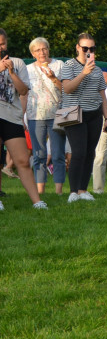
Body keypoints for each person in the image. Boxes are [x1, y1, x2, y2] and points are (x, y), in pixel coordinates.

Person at [59, 33, 107, 202]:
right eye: (85, 48)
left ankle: (83, 190)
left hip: (94, 113)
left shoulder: (97, 70)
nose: (89, 51)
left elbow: (102, 95)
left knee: (90, 153)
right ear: (78, 47)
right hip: (71, 111)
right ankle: (73, 192)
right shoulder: (68, 65)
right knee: (78, 152)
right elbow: (67, 89)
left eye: (92, 48)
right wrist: (83, 73)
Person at [0, 28, 48, 210]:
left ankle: (37, 201)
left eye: (3, 43)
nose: (0, 47)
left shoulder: (18, 63)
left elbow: (23, 91)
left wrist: (12, 73)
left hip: (12, 116)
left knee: (22, 160)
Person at [25, 37, 66, 196]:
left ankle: (59, 192)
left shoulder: (59, 65)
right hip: (35, 115)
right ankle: (40, 191)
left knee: (58, 154)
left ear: (48, 49)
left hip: (57, 114)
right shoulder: (27, 69)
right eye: (37, 50)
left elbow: (66, 88)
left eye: (44, 49)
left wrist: (53, 78)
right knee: (39, 155)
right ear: (32, 53)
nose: (41, 52)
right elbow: (23, 93)